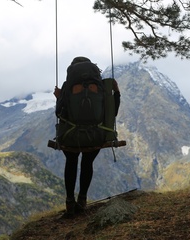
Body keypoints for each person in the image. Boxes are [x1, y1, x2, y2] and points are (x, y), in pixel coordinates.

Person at [54, 57, 120, 217]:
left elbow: (59, 113)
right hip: (96, 135)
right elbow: (112, 111)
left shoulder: (67, 87)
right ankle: (82, 200)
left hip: (71, 136)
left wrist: (59, 97)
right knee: (87, 162)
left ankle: (70, 202)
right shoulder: (101, 87)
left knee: (71, 162)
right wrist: (116, 92)